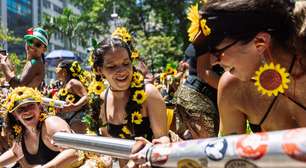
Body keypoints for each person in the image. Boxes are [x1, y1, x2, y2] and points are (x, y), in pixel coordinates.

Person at [188, 0, 306, 135]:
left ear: (260, 42)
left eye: (217, 52)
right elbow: (229, 154)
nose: (213, 61)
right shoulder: (231, 88)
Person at [93, 37, 170, 167]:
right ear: (100, 70)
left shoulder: (149, 94)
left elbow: (164, 139)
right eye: (112, 66)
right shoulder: (102, 99)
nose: (122, 70)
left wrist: (151, 150)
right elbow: (108, 143)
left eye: (126, 63)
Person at [0, 87, 78, 167]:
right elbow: (15, 153)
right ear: (15, 115)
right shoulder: (22, 133)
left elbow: (74, 150)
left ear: (39, 106)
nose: (27, 111)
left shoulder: (51, 124)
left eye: (30, 105)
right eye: (21, 109)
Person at [174, 44, 220, 139]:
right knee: (207, 147)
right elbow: (203, 72)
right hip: (197, 97)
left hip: (193, 94)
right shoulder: (205, 34)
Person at [53, 60, 90, 134]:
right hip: (66, 118)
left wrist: (75, 106)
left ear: (64, 71)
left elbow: (86, 97)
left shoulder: (73, 82)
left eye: (57, 69)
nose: (55, 71)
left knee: (76, 143)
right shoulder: (63, 84)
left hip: (77, 118)